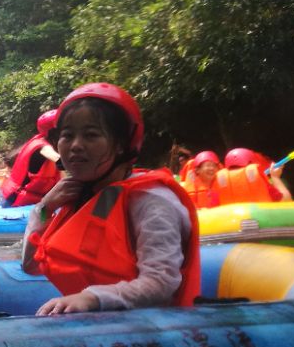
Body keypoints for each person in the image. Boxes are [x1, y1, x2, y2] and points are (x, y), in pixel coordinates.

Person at [22, 82, 200, 315]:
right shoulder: (78, 195)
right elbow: (32, 265)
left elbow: (161, 283)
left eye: (91, 135)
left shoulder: (152, 201)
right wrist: (44, 207)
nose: (75, 145)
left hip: (151, 331)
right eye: (67, 135)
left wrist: (92, 298)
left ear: (120, 145)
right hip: (97, 325)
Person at [1, 110, 61, 207]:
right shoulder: (43, 148)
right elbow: (61, 162)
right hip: (17, 200)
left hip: (32, 200)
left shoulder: (44, 143)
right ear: (54, 132)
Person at [216, 147, 290, 203]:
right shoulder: (258, 179)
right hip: (259, 220)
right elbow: (286, 201)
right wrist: (275, 177)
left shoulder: (218, 182)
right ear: (251, 162)